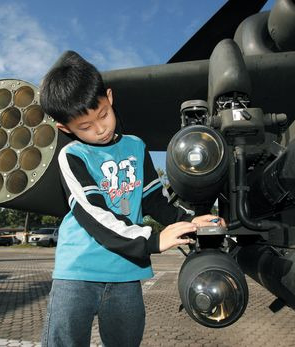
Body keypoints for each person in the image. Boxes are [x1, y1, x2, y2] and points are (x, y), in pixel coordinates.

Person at [40, 51, 224, 347]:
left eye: (103, 114)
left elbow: (154, 200)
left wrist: (190, 223)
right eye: (85, 127)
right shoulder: (72, 156)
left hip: (126, 274)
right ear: (65, 128)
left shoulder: (137, 148)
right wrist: (152, 240)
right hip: (77, 274)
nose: (100, 129)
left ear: (109, 97)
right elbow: (93, 213)